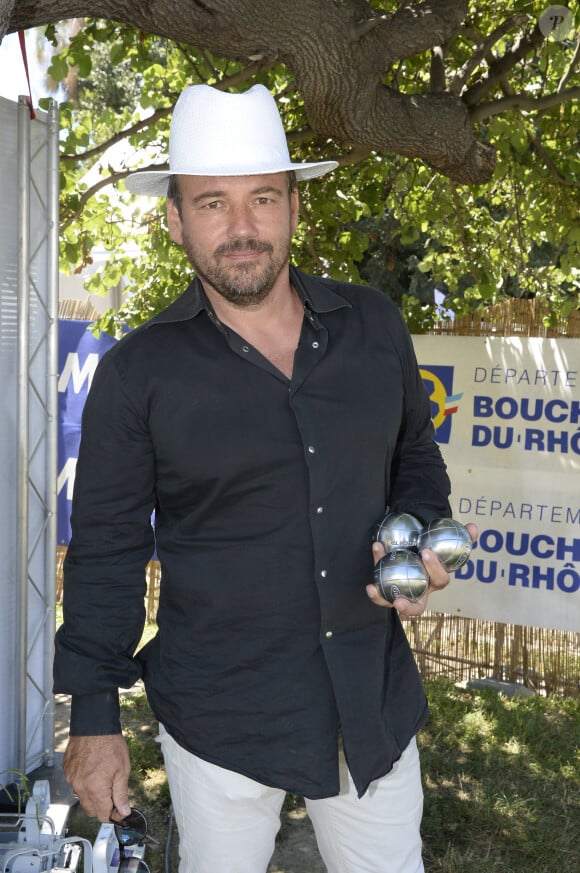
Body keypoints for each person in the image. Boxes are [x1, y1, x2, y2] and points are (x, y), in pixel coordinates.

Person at [54, 83, 477, 873]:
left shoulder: (372, 324)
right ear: (175, 218)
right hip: (220, 717)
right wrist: (95, 717)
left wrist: (418, 530)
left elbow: (415, 454)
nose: (243, 228)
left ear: (293, 207)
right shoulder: (139, 374)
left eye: (263, 199)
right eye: (212, 203)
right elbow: (106, 551)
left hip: (369, 703)